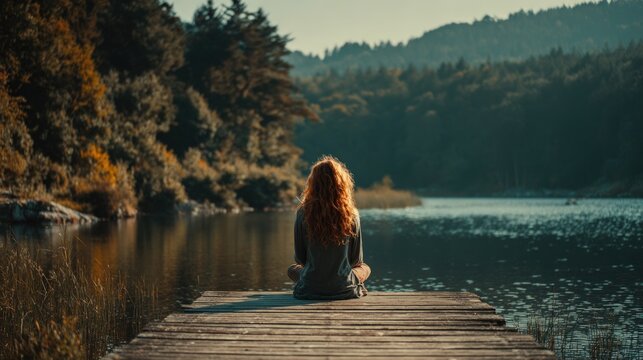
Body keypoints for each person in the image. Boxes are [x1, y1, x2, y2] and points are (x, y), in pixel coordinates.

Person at [287, 155, 371, 299]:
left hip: (310, 286)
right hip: (343, 286)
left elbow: (300, 258)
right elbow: (356, 260)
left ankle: (315, 283)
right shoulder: (352, 214)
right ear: (342, 184)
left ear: (312, 184)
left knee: (292, 270)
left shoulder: (303, 212)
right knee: (365, 268)